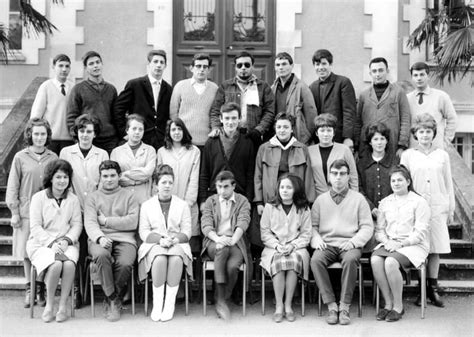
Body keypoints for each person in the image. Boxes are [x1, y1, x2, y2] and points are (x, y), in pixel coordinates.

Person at [400, 113, 454, 307]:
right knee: (419, 247)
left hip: (438, 206)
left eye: (428, 131)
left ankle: (433, 289)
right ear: (415, 134)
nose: (425, 135)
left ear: (433, 133)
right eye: (421, 132)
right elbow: (402, 183)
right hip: (416, 207)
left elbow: (448, 182)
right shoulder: (408, 155)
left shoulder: (442, 155)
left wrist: (451, 207)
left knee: (435, 249)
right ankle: (420, 289)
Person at [310, 159, 373, 325]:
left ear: (348, 177)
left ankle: (344, 307)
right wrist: (316, 238)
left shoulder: (359, 199)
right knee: (316, 260)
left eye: (342, 174)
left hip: (349, 243)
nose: (338, 177)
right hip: (327, 243)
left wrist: (353, 242)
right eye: (334, 174)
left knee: (351, 259)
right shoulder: (320, 200)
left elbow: (367, 227)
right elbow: (312, 226)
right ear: (329, 177)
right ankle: (331, 305)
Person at [6, 118, 58, 308]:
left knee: (44, 251)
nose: (39, 137)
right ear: (30, 135)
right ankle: (30, 289)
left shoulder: (53, 157)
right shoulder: (20, 157)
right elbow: (13, 186)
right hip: (26, 211)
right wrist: (14, 211)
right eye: (36, 134)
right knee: (27, 253)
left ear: (47, 136)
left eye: (43, 134)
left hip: (47, 213)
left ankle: (41, 289)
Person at [59, 114, 109, 307]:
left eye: (89, 131)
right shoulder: (66, 152)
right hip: (73, 209)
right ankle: (77, 290)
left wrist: (95, 209)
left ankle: (99, 290)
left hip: (95, 211)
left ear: (95, 134)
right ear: (76, 133)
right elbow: (64, 181)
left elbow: (104, 183)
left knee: (96, 249)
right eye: (82, 131)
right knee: (76, 251)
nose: (85, 135)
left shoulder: (102, 154)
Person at [371, 165, 430, 322]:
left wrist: (401, 244)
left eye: (400, 180)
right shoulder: (385, 202)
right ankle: (388, 303)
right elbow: (380, 230)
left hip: (413, 245)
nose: (396, 183)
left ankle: (398, 306)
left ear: (408, 181)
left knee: (390, 262)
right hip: (390, 243)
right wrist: (387, 241)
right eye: (393, 181)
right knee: (375, 260)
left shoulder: (419, 202)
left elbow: (420, 232)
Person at [26, 159, 82, 322]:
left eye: (65, 177)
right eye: (58, 177)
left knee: (70, 263)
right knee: (56, 264)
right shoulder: (38, 198)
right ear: (50, 178)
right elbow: (35, 227)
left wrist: (66, 240)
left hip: (66, 244)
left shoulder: (73, 199)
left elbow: (77, 224)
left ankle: (63, 305)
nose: (62, 181)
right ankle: (50, 305)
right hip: (42, 244)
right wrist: (52, 243)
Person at [84, 160, 139, 322]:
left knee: (125, 262)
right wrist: (100, 237)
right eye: (105, 176)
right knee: (101, 256)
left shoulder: (129, 195)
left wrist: (107, 221)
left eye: (112, 175)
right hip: (99, 238)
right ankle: (114, 298)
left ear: (119, 176)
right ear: (100, 178)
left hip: (125, 239)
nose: (109, 179)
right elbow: (90, 222)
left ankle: (110, 298)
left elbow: (132, 221)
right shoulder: (93, 198)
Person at [138, 165, 193, 322]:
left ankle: (169, 304)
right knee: (160, 259)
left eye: (170, 182)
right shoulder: (147, 205)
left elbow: (187, 231)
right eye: (163, 182)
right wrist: (160, 240)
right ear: (156, 185)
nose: (167, 186)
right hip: (154, 244)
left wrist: (175, 239)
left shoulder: (182, 205)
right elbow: (143, 232)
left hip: (177, 243)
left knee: (175, 259)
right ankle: (157, 304)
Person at [253, 112, 315, 247]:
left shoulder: (301, 148)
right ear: (275, 128)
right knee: (270, 231)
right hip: (270, 198)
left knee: (293, 230)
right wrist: (259, 201)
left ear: (292, 129)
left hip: (295, 199)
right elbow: (258, 175)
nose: (282, 130)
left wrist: (307, 201)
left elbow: (308, 176)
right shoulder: (264, 148)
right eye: (279, 127)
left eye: (286, 127)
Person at [260, 174, 311, 323]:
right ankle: (279, 305)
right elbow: (265, 232)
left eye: (289, 187)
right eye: (282, 187)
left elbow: (306, 233)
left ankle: (288, 305)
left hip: (296, 247)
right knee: (278, 262)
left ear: (296, 189)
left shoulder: (303, 208)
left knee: (293, 262)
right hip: (273, 247)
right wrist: (276, 245)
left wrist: (293, 245)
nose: (285, 190)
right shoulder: (270, 207)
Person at [200, 170, 251, 320]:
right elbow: (206, 224)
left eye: (226, 187)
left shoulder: (242, 201)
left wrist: (232, 240)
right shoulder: (211, 201)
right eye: (219, 187)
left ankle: (221, 296)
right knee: (221, 250)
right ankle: (222, 301)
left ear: (233, 186)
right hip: (213, 241)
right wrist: (218, 239)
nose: (222, 191)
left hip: (235, 241)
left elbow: (243, 221)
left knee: (233, 266)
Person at [209, 51, 275, 149]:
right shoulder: (225, 86)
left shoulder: (263, 87)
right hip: (229, 137)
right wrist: (216, 128)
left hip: (253, 137)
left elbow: (269, 111)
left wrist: (259, 130)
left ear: (252, 66)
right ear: (235, 68)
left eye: (247, 65)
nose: (243, 68)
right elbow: (215, 110)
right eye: (240, 65)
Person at [157, 118, 200, 253]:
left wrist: (188, 202)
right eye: (173, 129)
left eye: (179, 129)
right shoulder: (162, 152)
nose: (176, 132)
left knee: (188, 239)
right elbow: (159, 179)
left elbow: (194, 178)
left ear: (184, 130)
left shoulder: (194, 151)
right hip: (167, 202)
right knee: (169, 242)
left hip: (187, 202)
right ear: (168, 132)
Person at [114, 50, 173, 150]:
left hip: (160, 140)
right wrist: (125, 133)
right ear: (149, 64)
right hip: (139, 138)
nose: (158, 65)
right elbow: (118, 109)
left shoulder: (168, 89)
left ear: (165, 66)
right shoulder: (135, 84)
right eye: (155, 62)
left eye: (162, 62)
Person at [199, 102, 255, 207]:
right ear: (221, 119)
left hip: (239, 198)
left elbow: (250, 175)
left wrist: (248, 199)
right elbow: (204, 174)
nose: (230, 122)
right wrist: (203, 200)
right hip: (215, 197)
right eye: (227, 118)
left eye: (234, 118)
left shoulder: (247, 143)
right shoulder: (211, 143)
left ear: (239, 119)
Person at [66, 51, 123, 153]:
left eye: (97, 62)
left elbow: (117, 115)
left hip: (110, 140)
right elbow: (71, 117)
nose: (95, 66)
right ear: (85, 68)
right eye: (91, 64)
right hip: (89, 139)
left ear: (102, 64)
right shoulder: (78, 89)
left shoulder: (111, 89)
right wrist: (77, 138)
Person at [355, 57, 411, 158]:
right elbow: (358, 121)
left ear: (387, 71)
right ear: (370, 73)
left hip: (392, 143)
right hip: (368, 144)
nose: (377, 74)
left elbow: (405, 119)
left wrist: (402, 145)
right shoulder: (364, 94)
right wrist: (357, 145)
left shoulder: (398, 92)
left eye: (381, 70)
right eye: (374, 71)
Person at [308, 49, 357, 147]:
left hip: (339, 137)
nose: (320, 67)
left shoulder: (343, 82)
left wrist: (347, 137)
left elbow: (349, 112)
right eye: (317, 64)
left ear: (330, 64)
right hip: (320, 139)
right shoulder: (312, 87)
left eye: (324, 64)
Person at [170, 53, 218, 149]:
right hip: (184, 141)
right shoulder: (180, 86)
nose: (201, 69)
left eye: (205, 66)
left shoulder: (214, 88)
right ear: (191, 68)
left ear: (209, 70)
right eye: (198, 66)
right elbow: (173, 114)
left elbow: (216, 113)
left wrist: (214, 129)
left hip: (206, 141)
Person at [30, 54, 75, 154]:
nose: (64, 69)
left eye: (67, 66)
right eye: (60, 65)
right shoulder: (46, 86)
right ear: (53, 67)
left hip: (69, 140)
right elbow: (36, 116)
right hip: (50, 140)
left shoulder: (74, 87)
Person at [406, 62, 457, 149]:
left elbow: (452, 119)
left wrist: (445, 142)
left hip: (435, 149)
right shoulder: (407, 98)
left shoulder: (440, 96)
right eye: (415, 75)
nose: (419, 78)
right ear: (412, 78)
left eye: (422, 74)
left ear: (428, 76)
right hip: (413, 149)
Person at [271, 52, 317, 144]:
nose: (281, 67)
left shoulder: (302, 87)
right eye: (278, 65)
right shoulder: (272, 88)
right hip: (277, 137)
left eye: (284, 64)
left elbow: (311, 115)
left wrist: (306, 137)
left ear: (291, 66)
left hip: (297, 138)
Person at [308, 113, 358, 198]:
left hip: (342, 197)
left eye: (329, 130)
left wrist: (354, 198)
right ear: (317, 133)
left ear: (334, 132)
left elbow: (353, 176)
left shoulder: (344, 149)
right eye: (322, 130)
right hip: (318, 198)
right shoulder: (309, 151)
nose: (326, 134)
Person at [357, 122, 398, 221]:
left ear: (387, 141)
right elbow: (359, 188)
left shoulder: (395, 162)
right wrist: (371, 207)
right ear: (370, 142)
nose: (379, 142)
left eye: (382, 139)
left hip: (393, 213)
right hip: (367, 214)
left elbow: (399, 186)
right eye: (375, 139)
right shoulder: (362, 164)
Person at [111, 114, 156, 204]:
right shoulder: (116, 152)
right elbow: (116, 178)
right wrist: (137, 179)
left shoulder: (150, 150)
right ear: (127, 130)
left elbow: (147, 173)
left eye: (140, 129)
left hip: (144, 199)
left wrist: (126, 174)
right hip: (123, 200)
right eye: (134, 128)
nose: (137, 132)